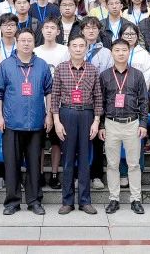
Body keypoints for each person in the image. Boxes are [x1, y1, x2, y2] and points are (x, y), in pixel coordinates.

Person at [0, 29, 53, 216]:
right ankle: (12, 202)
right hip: (11, 123)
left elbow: (49, 91)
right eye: (22, 40)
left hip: (36, 123)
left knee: (34, 164)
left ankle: (34, 201)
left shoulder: (42, 65)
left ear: (34, 43)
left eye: (29, 40)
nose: (26, 43)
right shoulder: (5, 65)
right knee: (12, 165)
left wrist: (49, 115)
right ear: (16, 42)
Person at [51, 34, 102, 215]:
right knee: (68, 158)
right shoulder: (61, 68)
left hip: (87, 114)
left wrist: (96, 121)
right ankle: (67, 201)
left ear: (86, 48)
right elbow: (55, 96)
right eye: (75, 46)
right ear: (69, 48)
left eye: (82, 46)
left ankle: (85, 201)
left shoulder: (92, 69)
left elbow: (98, 97)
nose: (78, 49)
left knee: (85, 159)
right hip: (67, 113)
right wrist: (56, 121)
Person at [97, 39, 149, 215]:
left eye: (124, 50)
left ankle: (136, 199)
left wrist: (143, 123)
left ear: (129, 52)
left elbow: (144, 101)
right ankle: (114, 199)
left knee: (134, 164)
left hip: (132, 123)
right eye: (117, 50)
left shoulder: (137, 75)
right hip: (111, 123)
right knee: (112, 164)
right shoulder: (104, 75)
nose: (120, 53)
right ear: (112, 53)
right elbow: (100, 102)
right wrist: (101, 125)